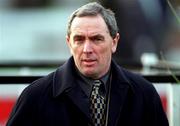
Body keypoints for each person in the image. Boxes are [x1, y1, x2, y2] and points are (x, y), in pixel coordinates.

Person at [7, 2, 169, 126]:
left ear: (114, 42)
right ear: (69, 44)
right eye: (79, 39)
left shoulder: (144, 94)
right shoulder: (35, 97)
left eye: (96, 39)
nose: (87, 49)